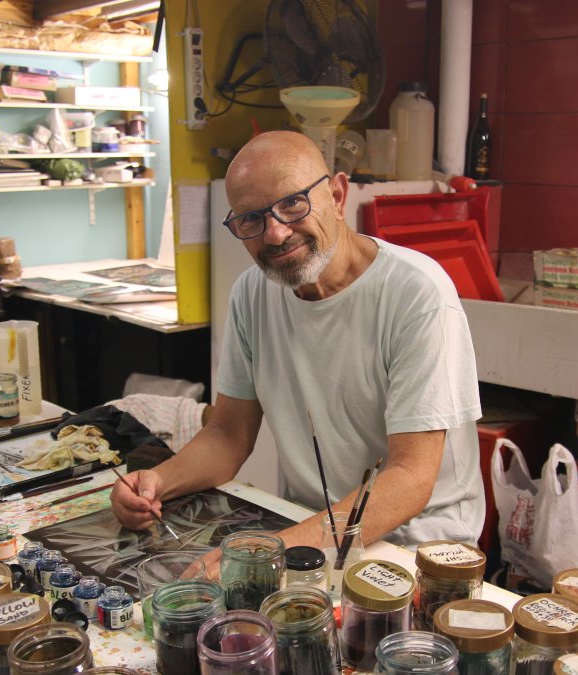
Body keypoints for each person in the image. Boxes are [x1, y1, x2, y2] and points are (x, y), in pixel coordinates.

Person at [111, 131, 485, 570]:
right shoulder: (252, 293)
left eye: (293, 203)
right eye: (250, 219)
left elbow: (409, 479)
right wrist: (156, 481)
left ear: (338, 195)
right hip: (308, 529)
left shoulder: (415, 293)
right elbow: (228, 434)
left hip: (422, 546)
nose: (275, 233)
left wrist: (272, 550)